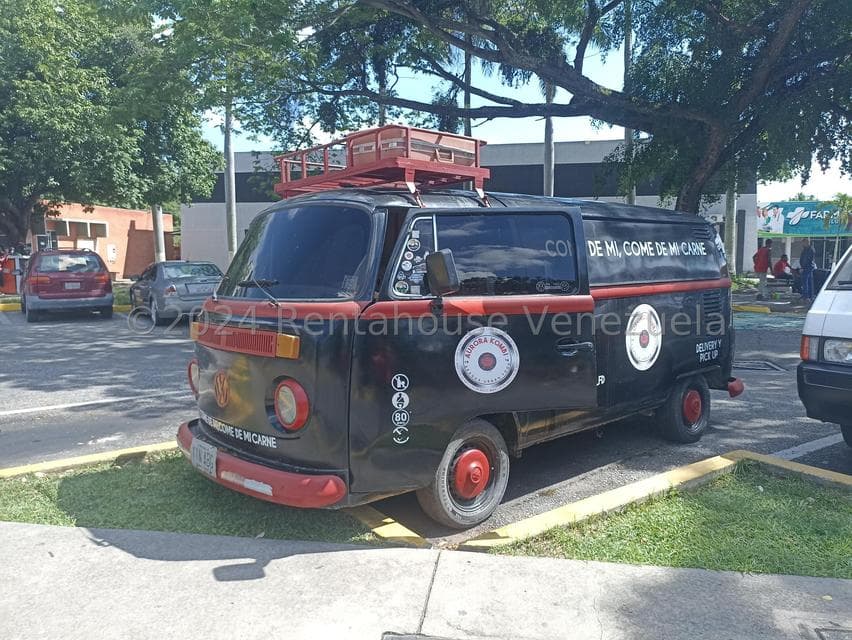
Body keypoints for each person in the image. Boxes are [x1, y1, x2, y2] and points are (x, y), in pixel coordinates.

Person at [799, 238, 816, 303]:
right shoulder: (806, 249)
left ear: (806, 242)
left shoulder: (809, 250)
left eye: (803, 243)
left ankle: (806, 296)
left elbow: (806, 259)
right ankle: (809, 296)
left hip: (807, 267)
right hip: (808, 267)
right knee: (809, 282)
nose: (802, 244)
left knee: (805, 281)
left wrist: (803, 267)